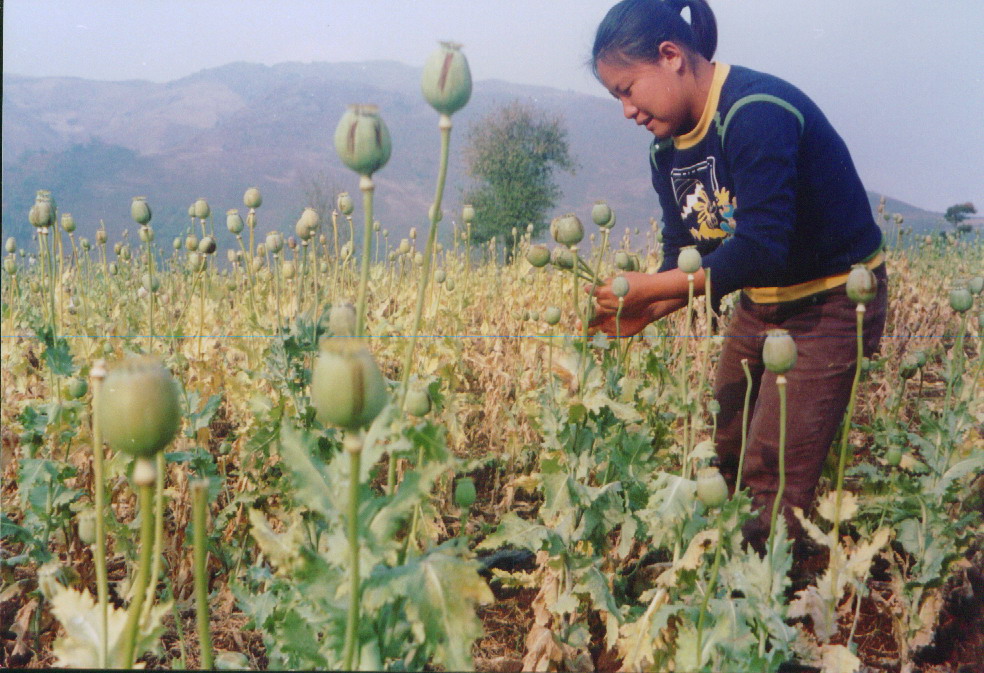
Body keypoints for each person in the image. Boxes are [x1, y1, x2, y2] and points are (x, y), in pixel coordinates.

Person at [587, 0, 888, 554]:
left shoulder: (755, 111)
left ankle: (758, 606)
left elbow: (762, 248)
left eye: (627, 89)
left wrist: (652, 290)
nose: (626, 110)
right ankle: (718, 566)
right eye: (616, 98)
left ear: (671, 55)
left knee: (770, 472)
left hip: (835, 301)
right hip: (760, 300)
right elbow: (686, 251)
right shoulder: (665, 150)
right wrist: (645, 309)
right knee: (723, 449)